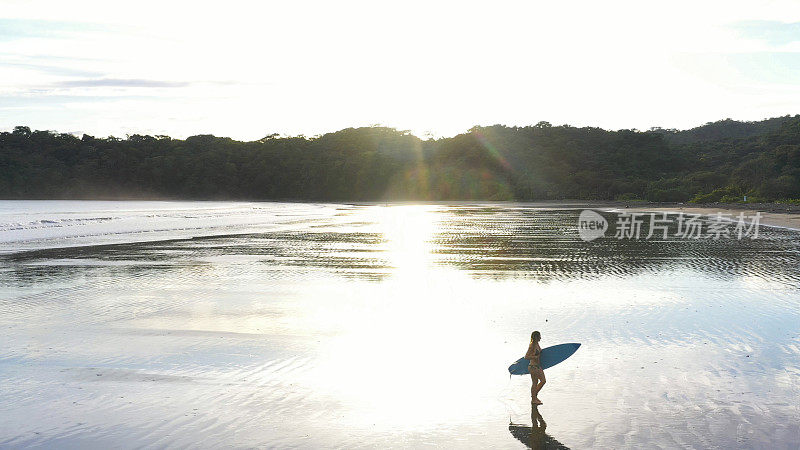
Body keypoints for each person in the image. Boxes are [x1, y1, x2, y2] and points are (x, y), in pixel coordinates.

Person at [525, 330, 546, 405]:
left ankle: (534, 398)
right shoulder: (532, 345)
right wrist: (535, 356)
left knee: (535, 382)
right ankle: (534, 397)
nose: (540, 337)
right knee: (542, 381)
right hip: (533, 367)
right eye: (539, 336)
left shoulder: (537, 344)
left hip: (537, 366)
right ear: (536, 337)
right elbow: (526, 357)